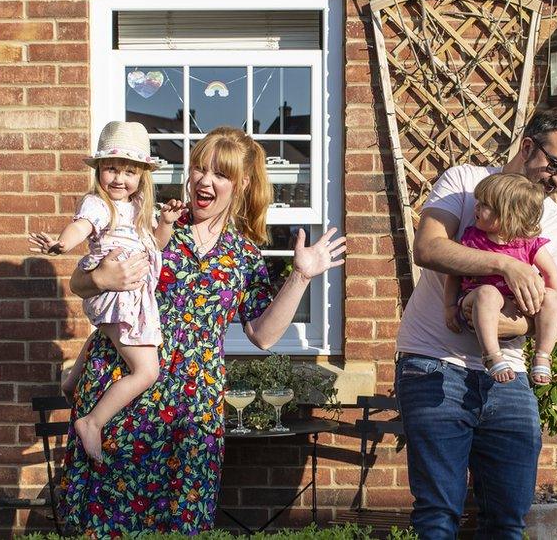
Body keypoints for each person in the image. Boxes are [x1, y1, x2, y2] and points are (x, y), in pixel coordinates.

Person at [56, 126, 345, 535]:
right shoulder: (154, 227)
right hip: (123, 390)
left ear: (242, 184)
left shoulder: (243, 254)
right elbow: (80, 285)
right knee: (108, 522)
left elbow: (263, 334)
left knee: (181, 522)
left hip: (194, 408)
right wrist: (101, 278)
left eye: (220, 174)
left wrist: (299, 276)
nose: (204, 181)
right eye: (198, 169)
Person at [395, 106, 557, 539]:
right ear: (527, 147)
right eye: (556, 166)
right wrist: (505, 267)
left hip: (511, 375)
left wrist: (503, 324)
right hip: (433, 363)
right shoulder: (465, 185)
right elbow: (427, 248)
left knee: (507, 519)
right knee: (436, 517)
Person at [28, 120, 188, 461]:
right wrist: (61, 244)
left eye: (129, 172)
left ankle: (73, 380)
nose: (119, 178)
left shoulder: (135, 209)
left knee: (108, 335)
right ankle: (93, 422)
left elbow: (155, 246)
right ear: (100, 170)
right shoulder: (99, 205)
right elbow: (80, 226)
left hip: (131, 296)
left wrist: (166, 224)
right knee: (147, 371)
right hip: (117, 295)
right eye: (112, 169)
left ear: (141, 177)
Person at [442, 173, 557, 384]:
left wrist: (554, 305)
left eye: (484, 205)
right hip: (476, 303)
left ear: (507, 215)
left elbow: (552, 274)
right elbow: (453, 274)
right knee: (488, 293)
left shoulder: (528, 243)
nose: (476, 208)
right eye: (478, 203)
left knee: (551, 296)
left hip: (515, 309)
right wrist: (449, 306)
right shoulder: (472, 238)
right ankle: (491, 355)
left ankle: (542, 356)